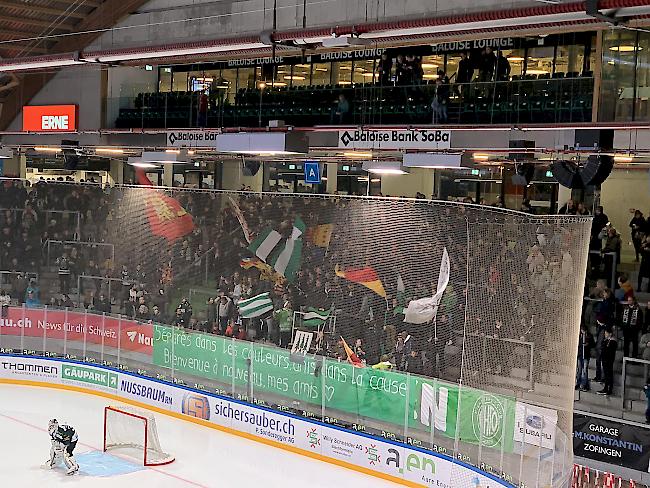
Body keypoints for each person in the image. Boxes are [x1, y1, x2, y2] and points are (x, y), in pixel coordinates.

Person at [597, 328, 618, 396]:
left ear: (610, 334)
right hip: (604, 359)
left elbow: (610, 351)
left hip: (609, 360)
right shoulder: (605, 340)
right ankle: (605, 388)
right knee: (606, 374)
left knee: (609, 374)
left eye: (606, 333)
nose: (605, 334)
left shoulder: (613, 342)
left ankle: (609, 389)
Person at [576, 323, 593, 391]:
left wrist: (587, 344)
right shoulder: (579, 336)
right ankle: (578, 383)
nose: (582, 332)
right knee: (579, 370)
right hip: (580, 355)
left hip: (586, 355)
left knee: (585, 370)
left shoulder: (589, 336)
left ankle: (585, 384)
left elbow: (593, 344)